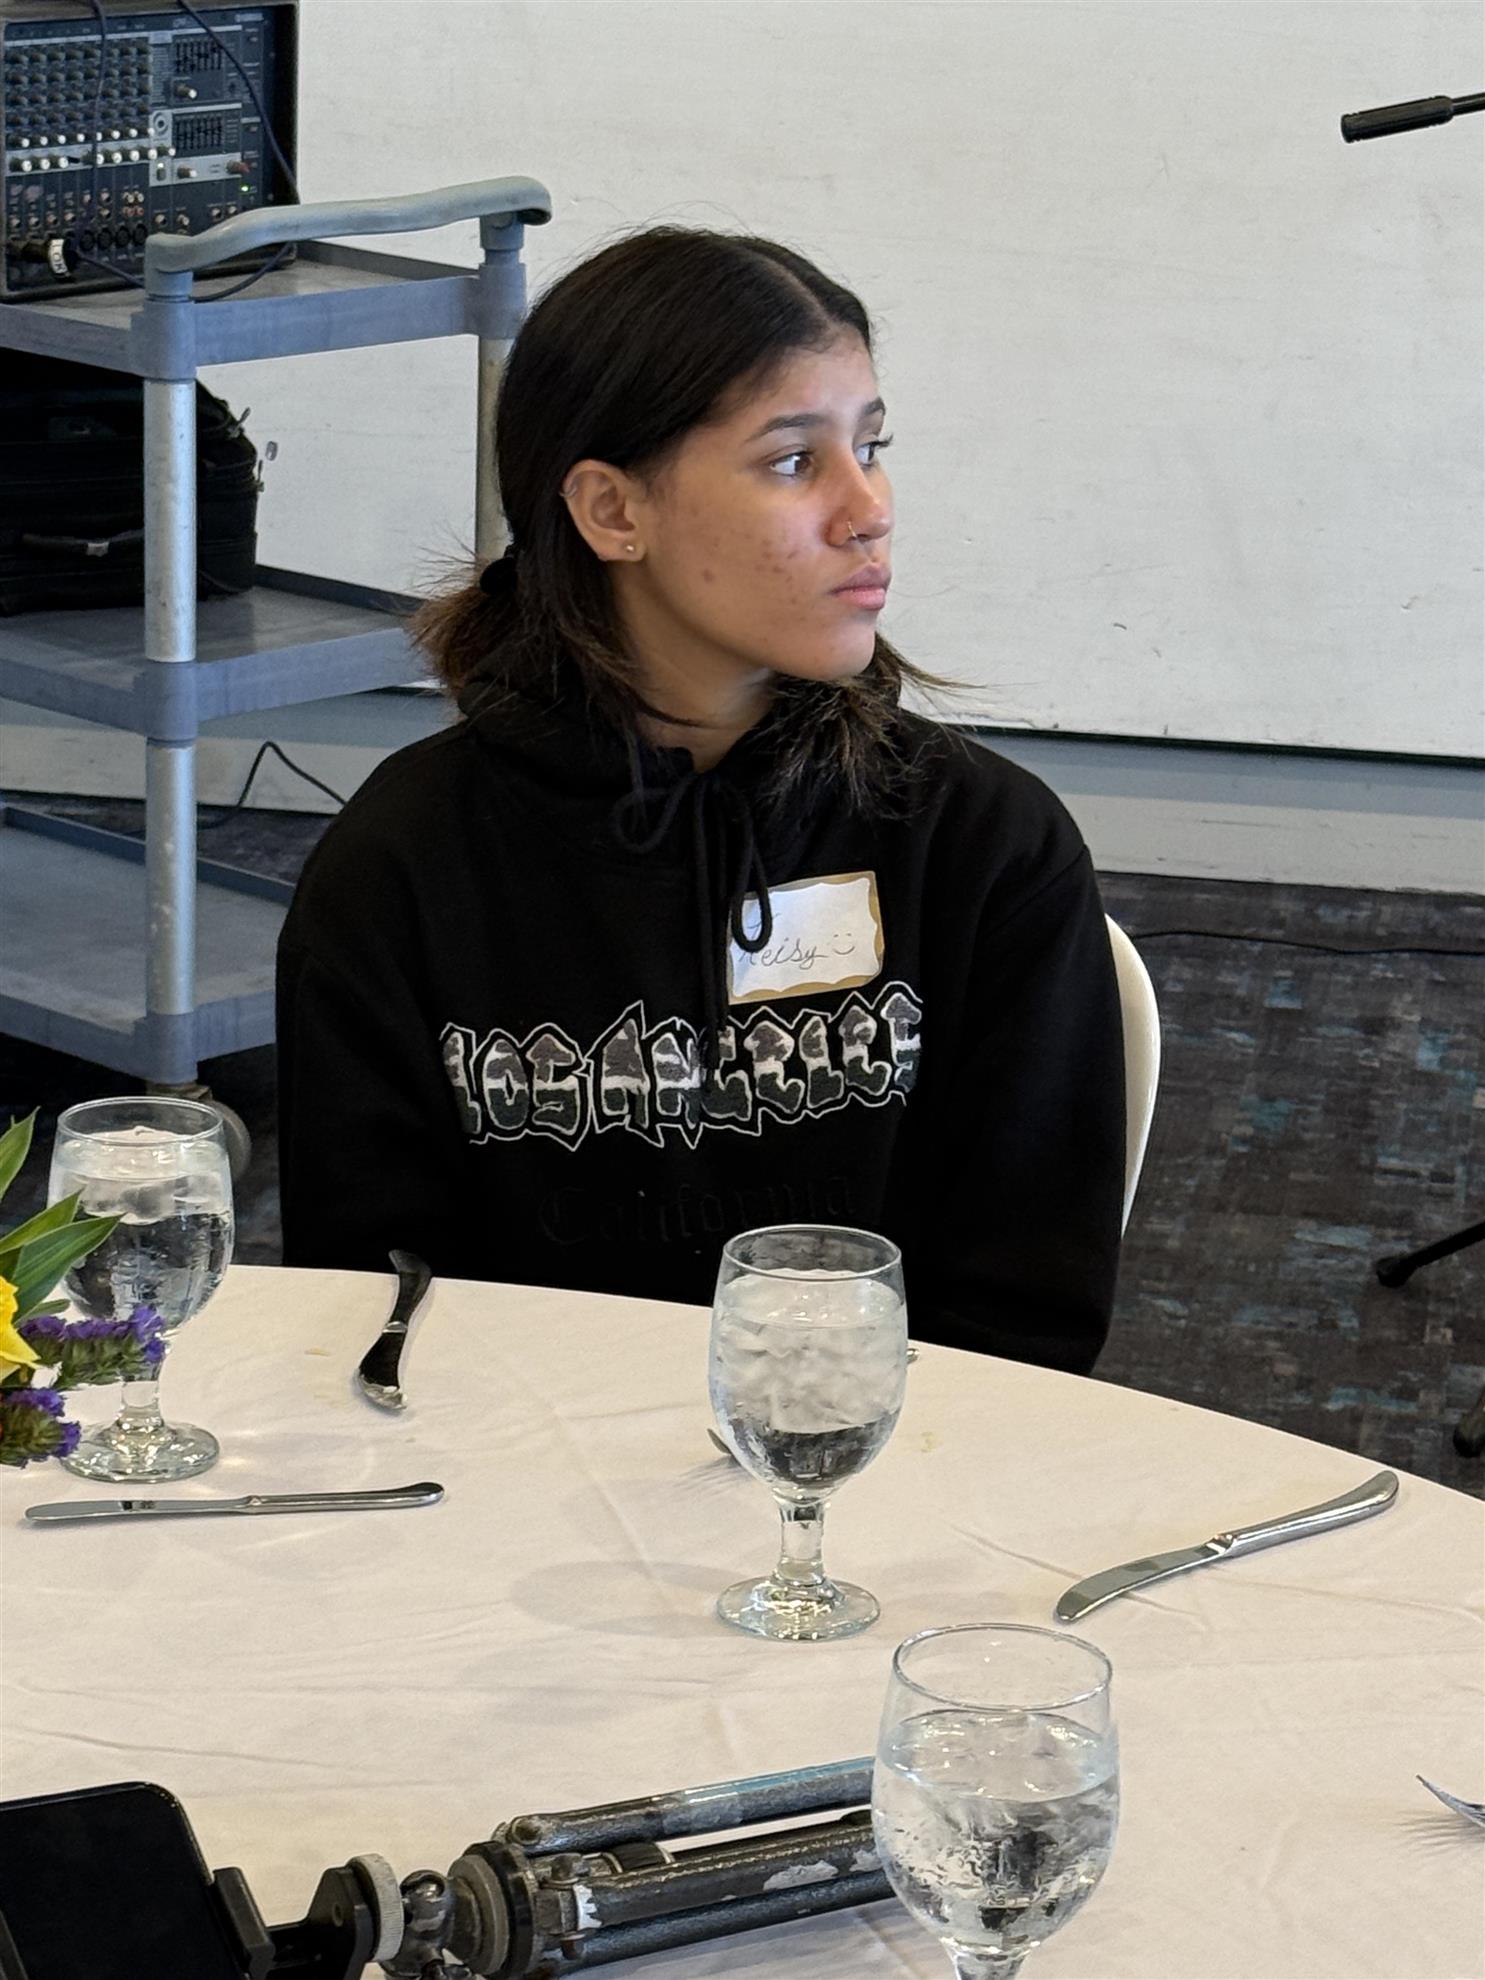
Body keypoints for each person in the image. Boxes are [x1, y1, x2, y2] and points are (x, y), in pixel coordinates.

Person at [275, 227, 1125, 1374]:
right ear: (612, 511)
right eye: (794, 461)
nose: (868, 509)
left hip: (880, 1458)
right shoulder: (402, 866)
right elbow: (370, 1311)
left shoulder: (984, 846)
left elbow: (1022, 1326)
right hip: (509, 1457)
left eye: (872, 447)